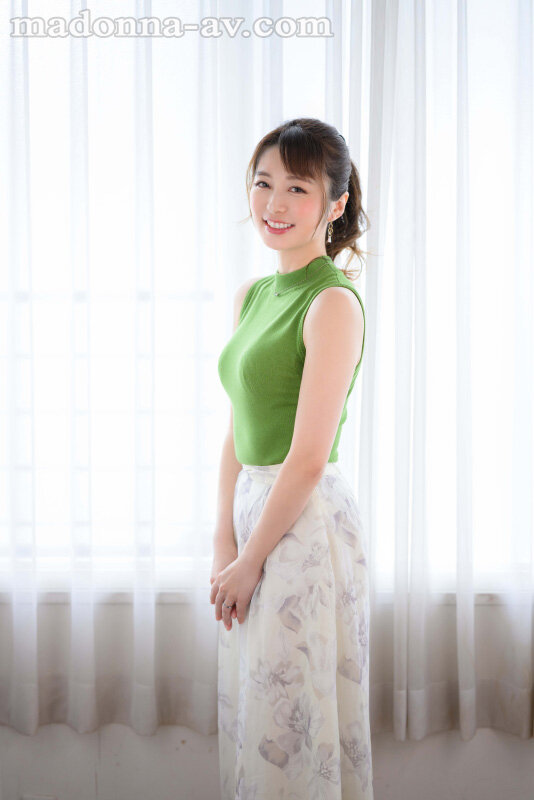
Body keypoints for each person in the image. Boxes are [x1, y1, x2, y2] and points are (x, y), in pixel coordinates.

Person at [210, 117, 373, 800]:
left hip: (301, 524)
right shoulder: (253, 295)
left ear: (335, 205)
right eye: (263, 183)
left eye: (297, 188)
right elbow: (239, 425)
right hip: (255, 516)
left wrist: (251, 559)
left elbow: (307, 458)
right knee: (258, 716)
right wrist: (224, 540)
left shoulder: (331, 301)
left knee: (293, 723)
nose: (274, 204)